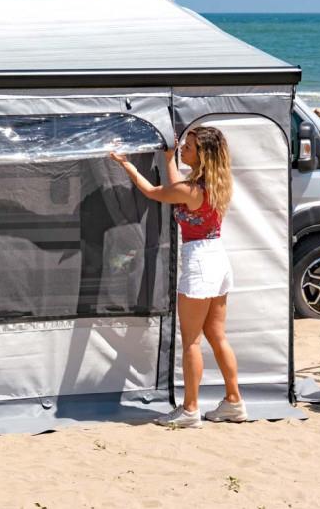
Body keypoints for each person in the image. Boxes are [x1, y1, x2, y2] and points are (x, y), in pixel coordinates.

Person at [109, 126, 246, 428]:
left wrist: (126, 164)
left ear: (203, 155)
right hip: (217, 259)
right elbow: (177, 191)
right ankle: (234, 401)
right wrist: (170, 158)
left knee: (192, 342)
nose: (184, 148)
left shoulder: (191, 189)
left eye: (189, 147)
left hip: (199, 264)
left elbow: (153, 192)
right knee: (217, 336)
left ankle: (190, 409)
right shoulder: (216, 184)